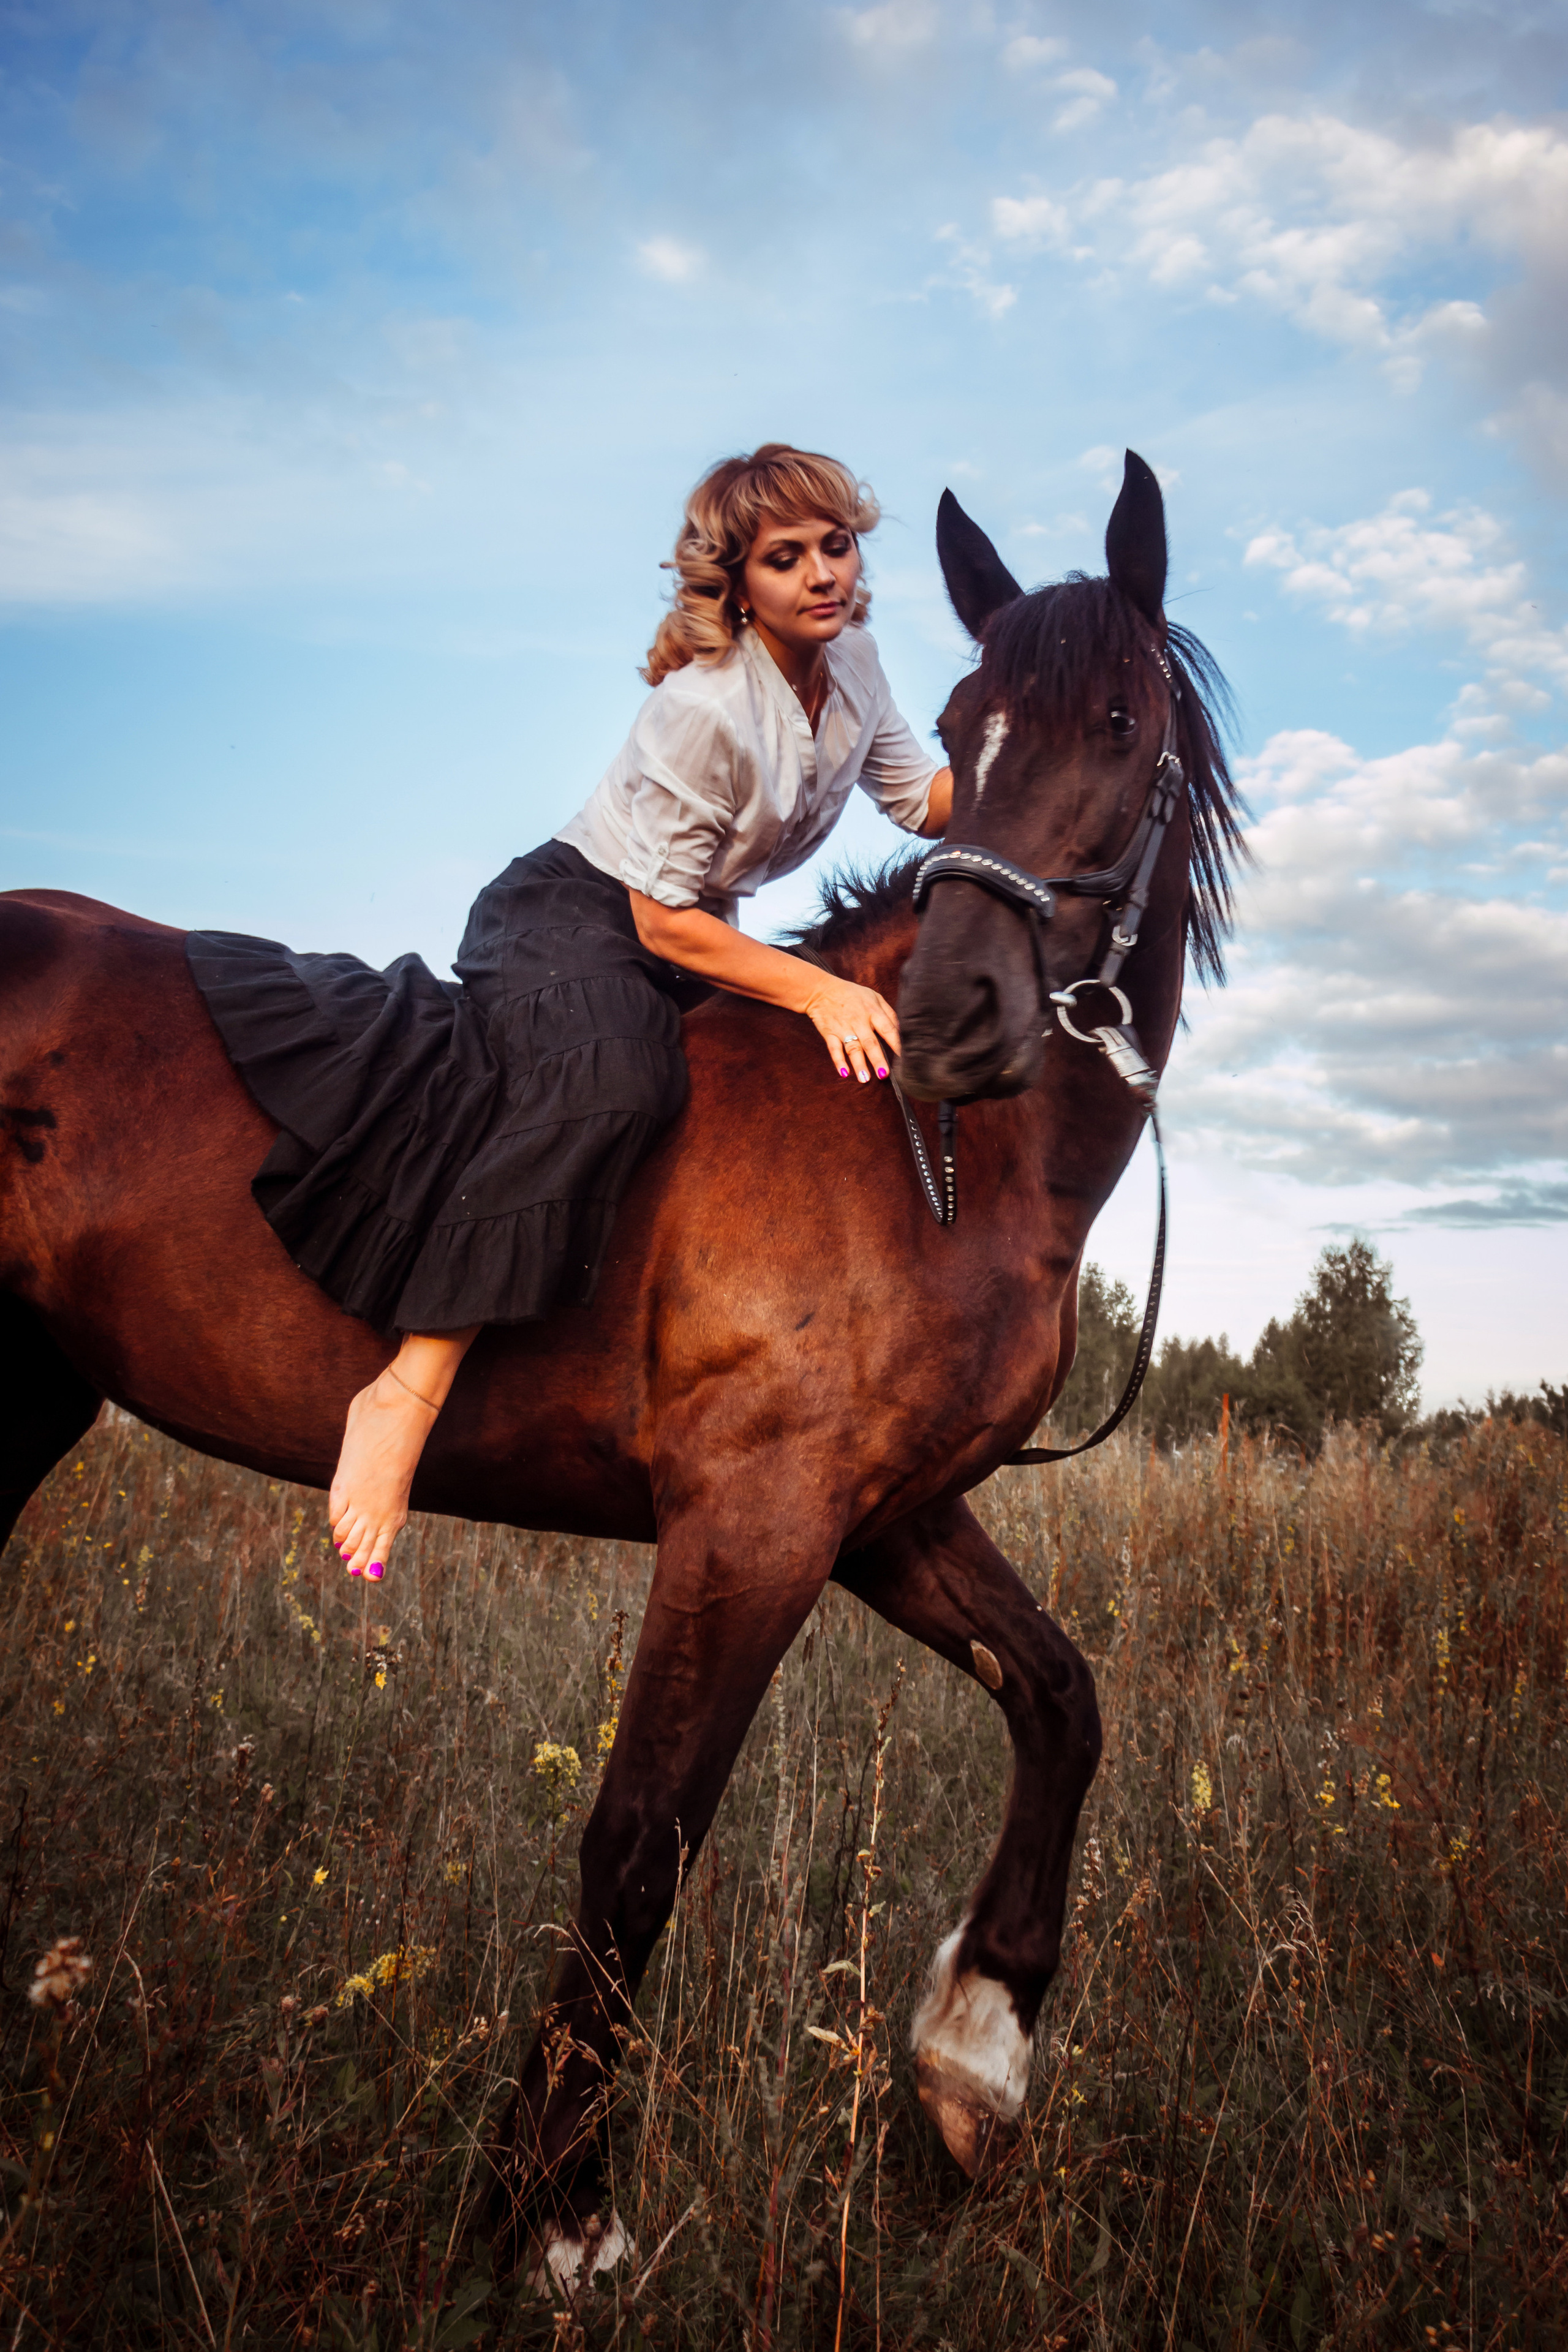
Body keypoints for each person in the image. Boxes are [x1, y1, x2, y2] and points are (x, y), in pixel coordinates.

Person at [187, 443, 952, 1581]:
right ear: (738, 585)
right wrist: (821, 986)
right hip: (575, 915)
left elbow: (922, 799)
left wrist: (1041, 758)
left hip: (689, 921)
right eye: (785, 558)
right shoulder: (703, 708)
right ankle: (405, 1390)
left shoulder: (857, 666)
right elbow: (661, 924)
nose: (822, 575)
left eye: (835, 547)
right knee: (614, 1079)